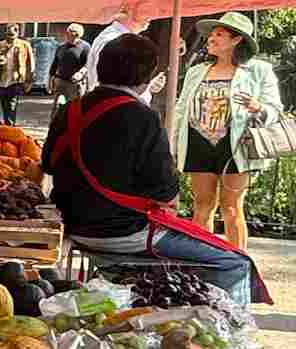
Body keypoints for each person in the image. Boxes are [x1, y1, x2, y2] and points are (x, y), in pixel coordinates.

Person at [42, 33, 269, 307]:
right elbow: (164, 189)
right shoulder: (142, 116)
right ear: (146, 76)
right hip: (125, 233)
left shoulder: (71, 111)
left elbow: (48, 165)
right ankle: (225, 333)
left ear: (100, 66)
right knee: (235, 262)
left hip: (71, 224)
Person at [173, 12, 283, 252]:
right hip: (197, 143)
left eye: (219, 34)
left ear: (236, 40)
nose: (211, 38)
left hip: (236, 146)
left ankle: (239, 263)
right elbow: (181, 109)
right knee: (202, 206)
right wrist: (172, 145)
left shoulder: (258, 70)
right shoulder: (196, 71)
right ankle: (201, 261)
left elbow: (275, 108)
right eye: (212, 34)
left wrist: (259, 107)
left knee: (231, 207)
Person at [0, 23, 34, 125]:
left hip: (16, 80)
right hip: (1, 81)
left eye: (12, 35)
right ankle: (8, 124)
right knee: (4, 106)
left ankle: (10, 126)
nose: (10, 38)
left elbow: (31, 63)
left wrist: (29, 79)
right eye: (8, 35)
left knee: (12, 105)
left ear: (17, 33)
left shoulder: (24, 45)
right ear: (5, 33)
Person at [49, 23, 90, 118]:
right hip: (61, 82)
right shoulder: (61, 47)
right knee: (57, 108)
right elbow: (55, 64)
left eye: (69, 32)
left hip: (75, 84)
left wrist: (81, 73)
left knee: (75, 108)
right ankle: (55, 127)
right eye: (67, 32)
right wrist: (50, 79)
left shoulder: (85, 47)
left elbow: (88, 64)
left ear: (77, 34)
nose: (66, 34)